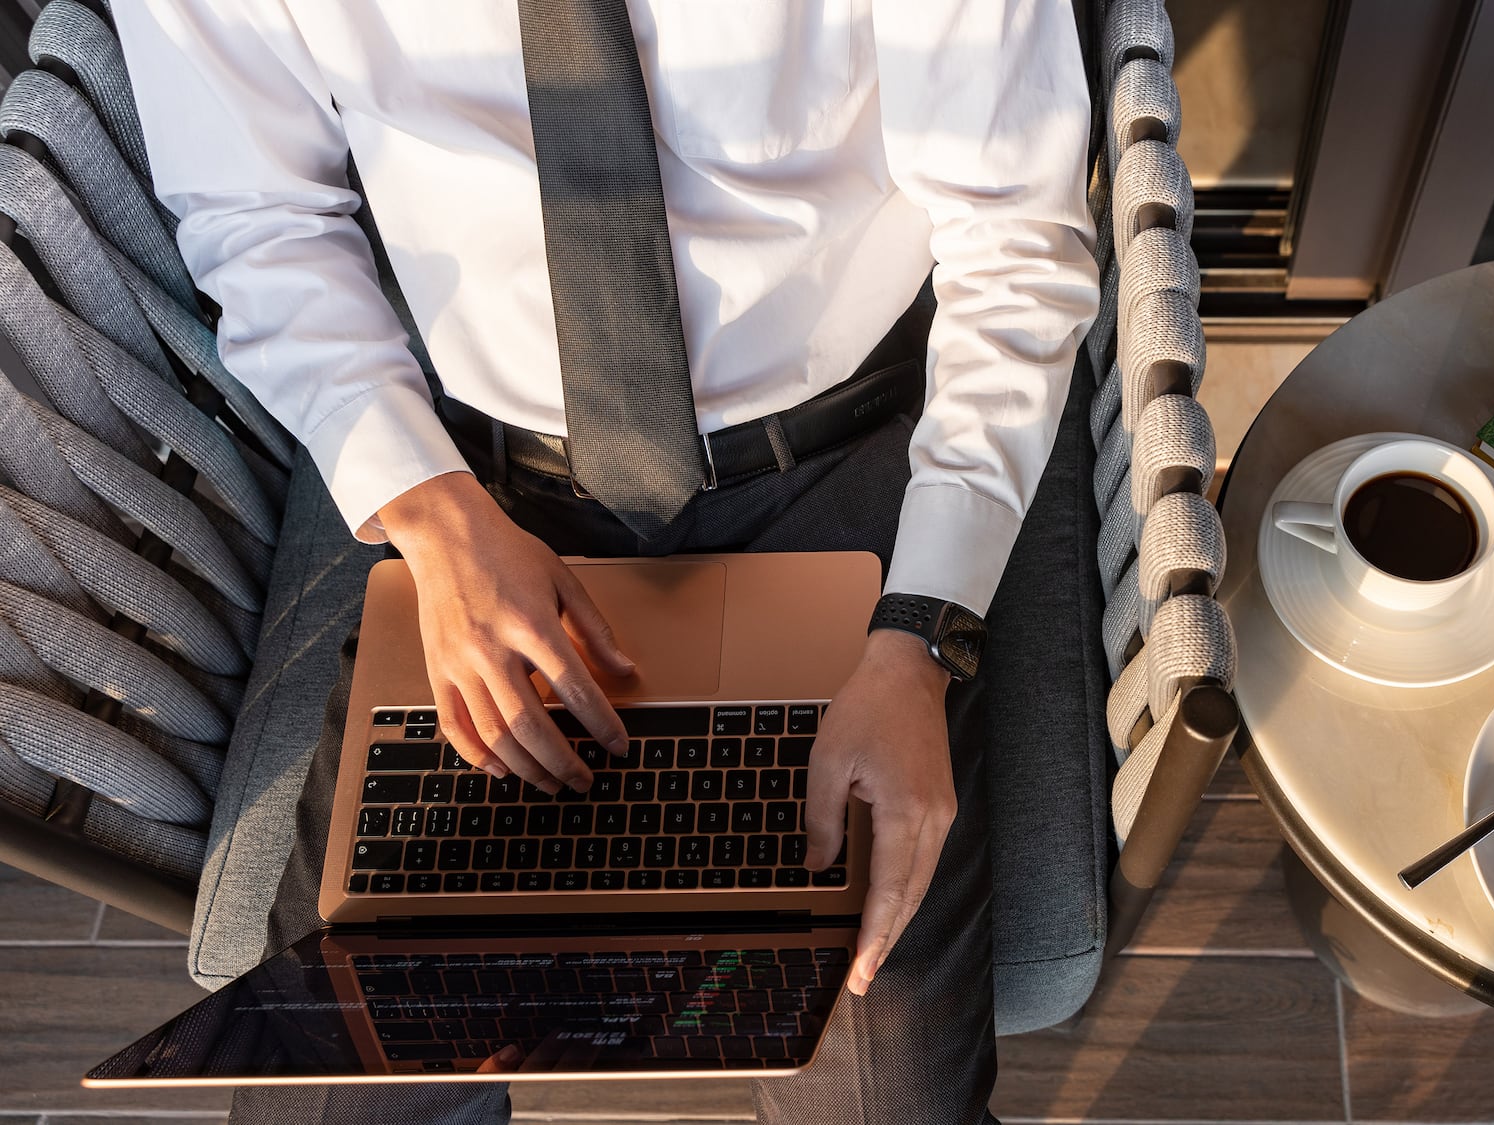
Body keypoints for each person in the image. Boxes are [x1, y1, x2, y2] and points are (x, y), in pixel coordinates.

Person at [113, 1, 1098, 1122]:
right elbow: (258, 217)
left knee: (878, 1095)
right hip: (484, 497)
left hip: (839, 464)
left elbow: (1015, 238)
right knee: (341, 1098)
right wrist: (433, 516)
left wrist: (922, 628)